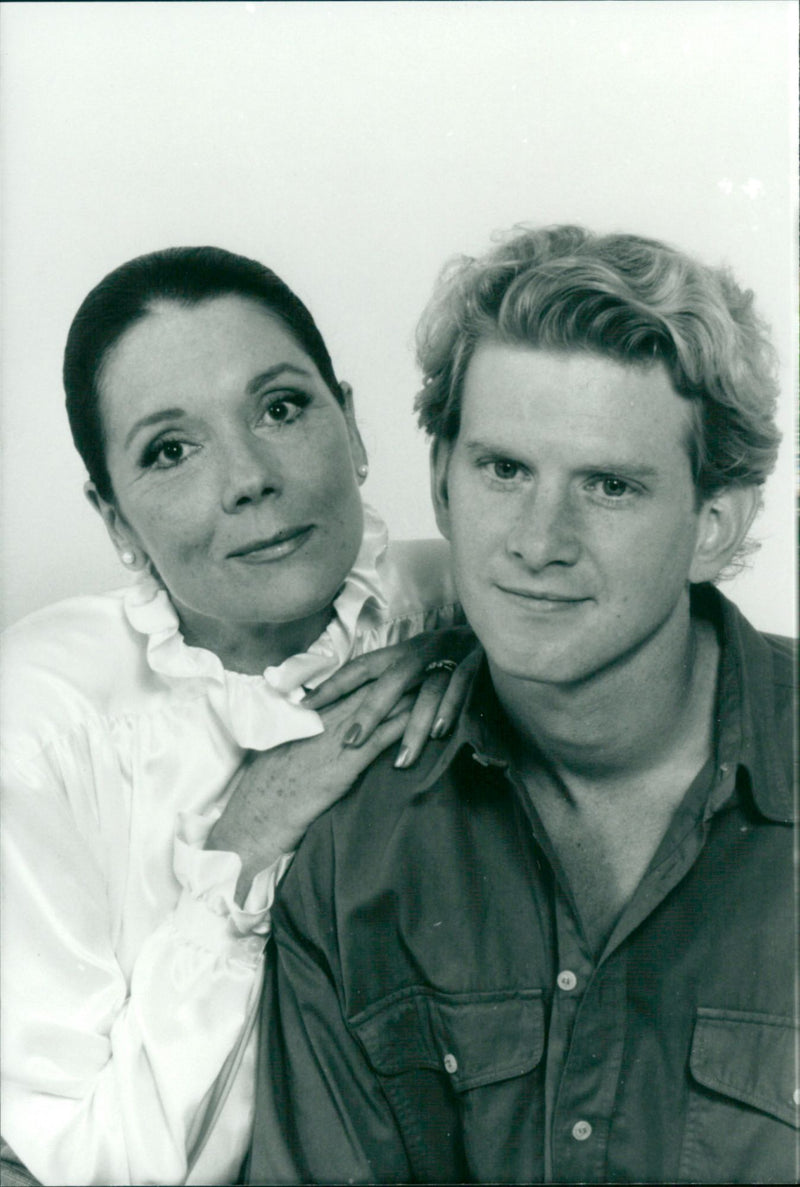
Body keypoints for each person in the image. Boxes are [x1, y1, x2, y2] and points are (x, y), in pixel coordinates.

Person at [249, 225, 797, 1184]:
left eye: (610, 486)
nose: (540, 541)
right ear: (443, 487)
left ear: (715, 526)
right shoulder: (352, 859)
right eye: (504, 470)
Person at [0, 246, 476, 1186]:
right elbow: (86, 1166)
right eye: (170, 450)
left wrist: (487, 650)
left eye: (282, 406)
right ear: (116, 521)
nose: (249, 476)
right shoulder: (39, 726)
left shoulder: (465, 601)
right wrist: (244, 844)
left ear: (353, 424)